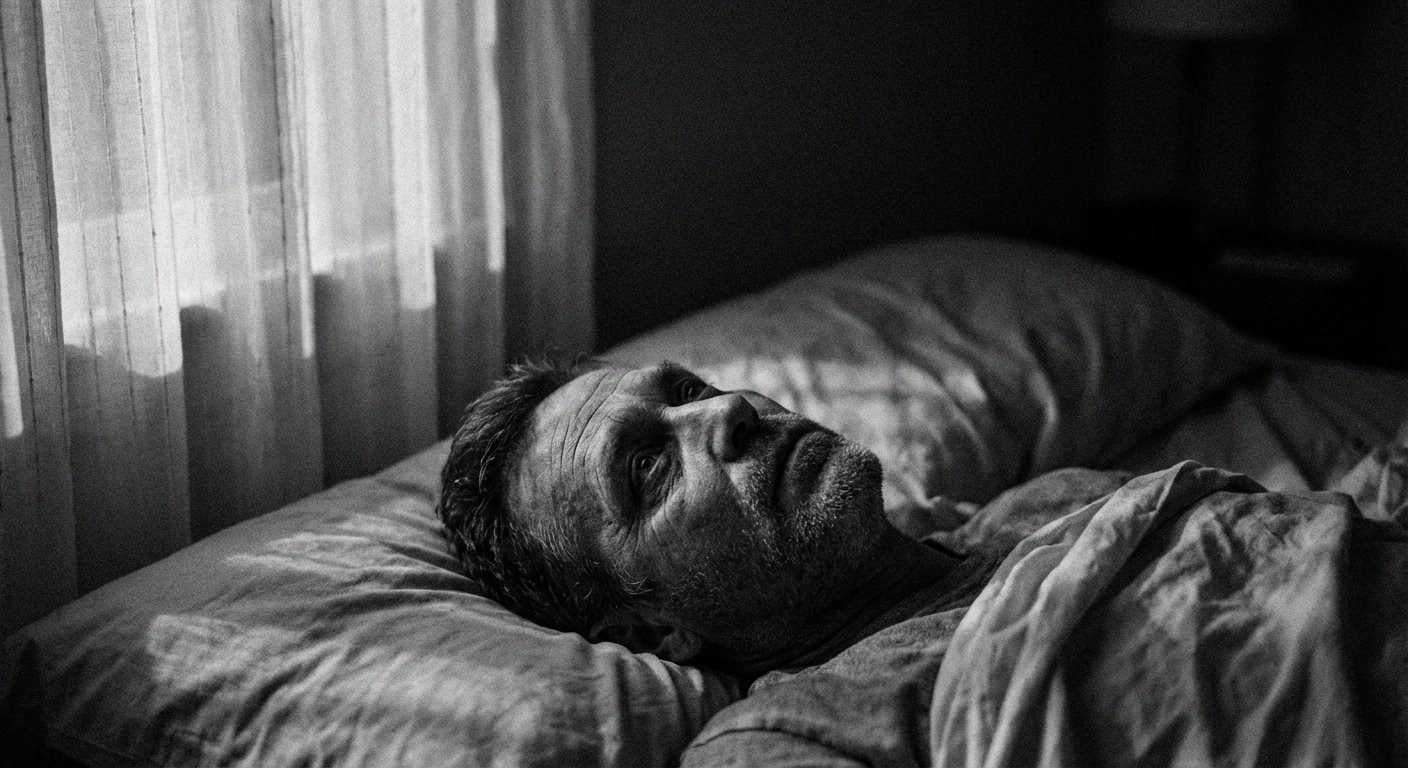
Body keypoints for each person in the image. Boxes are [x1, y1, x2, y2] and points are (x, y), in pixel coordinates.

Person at [437, 357, 1133, 764]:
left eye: (689, 392)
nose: (730, 409)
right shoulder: (794, 740)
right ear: (648, 630)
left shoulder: (1050, 503)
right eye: (647, 466)